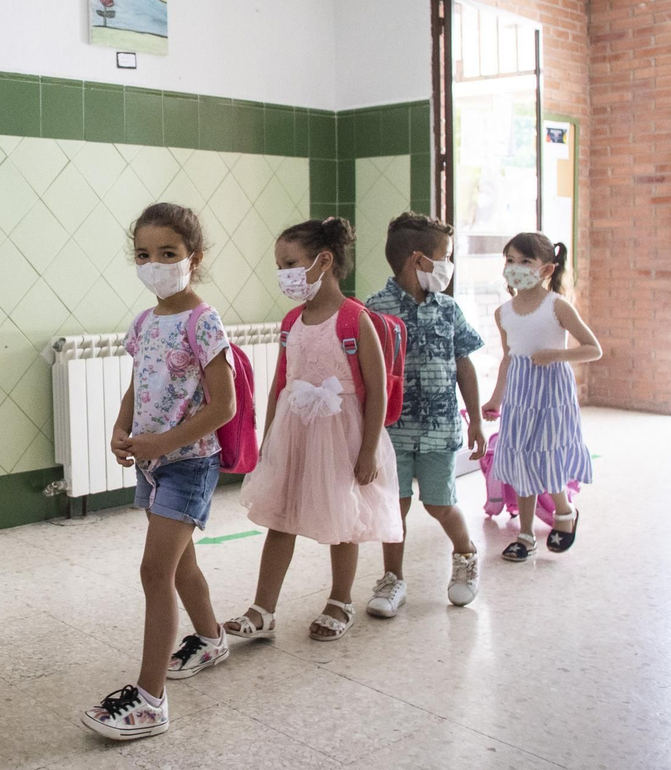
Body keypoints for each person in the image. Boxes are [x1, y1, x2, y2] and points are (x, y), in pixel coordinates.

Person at [82, 203, 235, 741]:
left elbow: (224, 407)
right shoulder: (146, 322)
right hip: (152, 464)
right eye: (144, 255)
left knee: (155, 573)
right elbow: (138, 383)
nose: (155, 265)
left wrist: (164, 443)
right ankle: (212, 637)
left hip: (188, 465)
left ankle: (150, 700)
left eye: (167, 254)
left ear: (194, 257)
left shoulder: (203, 320)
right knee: (182, 567)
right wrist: (122, 429)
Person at [224, 217, 401, 644]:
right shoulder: (290, 322)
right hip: (294, 434)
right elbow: (280, 385)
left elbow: (376, 392)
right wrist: (267, 442)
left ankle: (340, 600)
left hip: (343, 438)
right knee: (279, 518)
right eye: (280, 265)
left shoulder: (356, 320)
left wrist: (368, 452)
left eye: (290, 263)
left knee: (344, 519)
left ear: (324, 261)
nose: (283, 274)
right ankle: (263, 609)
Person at [363, 212, 486, 615]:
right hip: (392, 432)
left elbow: (464, 364)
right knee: (393, 507)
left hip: (440, 430)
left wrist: (477, 420)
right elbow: (364, 375)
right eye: (445, 256)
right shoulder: (375, 310)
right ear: (419, 260)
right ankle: (392, 579)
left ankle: (466, 555)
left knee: (439, 504)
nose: (448, 266)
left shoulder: (448, 309)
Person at [482, 233, 601, 560]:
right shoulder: (503, 313)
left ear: (546, 269)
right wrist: (496, 398)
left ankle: (565, 514)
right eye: (510, 260)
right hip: (520, 393)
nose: (515, 268)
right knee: (521, 458)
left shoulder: (557, 306)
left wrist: (556, 355)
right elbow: (508, 357)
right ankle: (525, 534)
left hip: (551, 393)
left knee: (546, 455)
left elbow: (594, 349)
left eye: (525, 261)